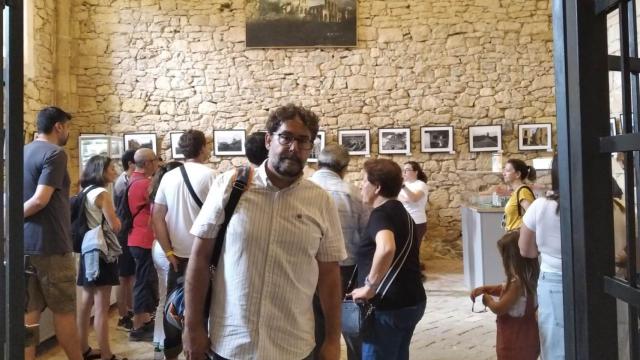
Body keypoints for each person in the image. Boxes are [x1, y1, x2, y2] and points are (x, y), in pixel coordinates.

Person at [183, 104, 347, 360]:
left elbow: (329, 275)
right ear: (269, 140)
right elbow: (200, 259)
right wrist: (192, 328)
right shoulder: (229, 187)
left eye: (303, 141)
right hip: (231, 343)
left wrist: (332, 340)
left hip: (292, 345)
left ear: (310, 148)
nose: (293, 148)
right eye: (286, 137)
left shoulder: (320, 201)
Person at [350, 159, 426, 360]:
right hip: (411, 300)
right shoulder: (401, 211)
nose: (360, 185)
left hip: (388, 305)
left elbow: (386, 247)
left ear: (377, 187)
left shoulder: (381, 215)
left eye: (364, 180)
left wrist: (370, 286)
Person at [23, 106, 83, 360]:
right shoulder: (55, 153)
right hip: (52, 245)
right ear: (58, 126)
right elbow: (39, 200)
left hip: (24, 243)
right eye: (67, 126)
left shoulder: (21, 152)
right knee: (65, 313)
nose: (67, 131)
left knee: (28, 314)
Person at [152, 130, 216, 360]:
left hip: (177, 256)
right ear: (202, 148)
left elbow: (157, 216)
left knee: (173, 306)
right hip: (206, 257)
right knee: (206, 310)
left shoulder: (169, 177)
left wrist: (168, 250)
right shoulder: (211, 176)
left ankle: (171, 353)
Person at [309, 144, 369, 360]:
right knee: (351, 324)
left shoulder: (304, 188)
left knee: (314, 324)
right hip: (346, 268)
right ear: (344, 168)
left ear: (317, 163)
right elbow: (365, 235)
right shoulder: (353, 193)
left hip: (310, 267)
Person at [76, 155, 126, 360]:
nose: (114, 172)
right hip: (102, 252)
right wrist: (119, 222)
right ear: (101, 171)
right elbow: (114, 225)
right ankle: (106, 354)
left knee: (86, 303)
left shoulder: (85, 191)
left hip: (87, 250)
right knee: (102, 307)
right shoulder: (103, 193)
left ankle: (83, 349)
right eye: (111, 169)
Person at [519, 155, 563, 359]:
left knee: (555, 343)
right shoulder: (614, 204)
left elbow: (526, 250)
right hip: (603, 276)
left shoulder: (541, 206)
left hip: (554, 277)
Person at [470, 231, 540, 359]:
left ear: (510, 259)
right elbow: (511, 294)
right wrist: (486, 288)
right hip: (530, 341)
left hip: (513, 344)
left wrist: (488, 300)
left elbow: (500, 309)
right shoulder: (529, 276)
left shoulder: (517, 284)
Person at [148, 161, 184, 357]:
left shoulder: (158, 194)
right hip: (168, 249)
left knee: (164, 299)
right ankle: (167, 346)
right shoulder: (173, 194)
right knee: (174, 300)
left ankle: (159, 348)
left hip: (159, 249)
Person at [127, 147, 159, 341]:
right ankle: (137, 326)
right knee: (143, 282)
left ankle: (144, 319)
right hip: (144, 238)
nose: (157, 164)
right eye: (154, 160)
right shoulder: (145, 184)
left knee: (144, 280)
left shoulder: (132, 180)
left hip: (135, 237)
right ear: (147, 163)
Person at [114, 149, 136, 330]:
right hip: (123, 233)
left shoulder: (128, 181)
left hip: (129, 231)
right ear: (131, 163)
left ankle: (131, 310)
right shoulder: (122, 182)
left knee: (130, 275)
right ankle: (122, 315)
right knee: (123, 275)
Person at [398, 161, 429, 270]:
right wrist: (406, 198)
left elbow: (414, 199)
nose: (404, 172)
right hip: (404, 221)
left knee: (413, 249)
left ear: (415, 172)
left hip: (417, 221)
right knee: (404, 248)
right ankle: (410, 270)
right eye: (404, 170)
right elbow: (397, 199)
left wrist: (403, 188)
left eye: (407, 170)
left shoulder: (421, 184)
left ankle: (415, 272)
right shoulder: (404, 185)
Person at [502, 159, 536, 231]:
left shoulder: (523, 191)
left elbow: (532, 217)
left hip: (518, 236)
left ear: (517, 174)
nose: (504, 173)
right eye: (504, 170)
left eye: (507, 171)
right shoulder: (516, 192)